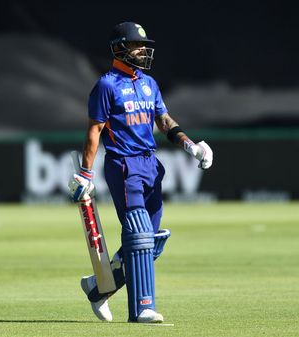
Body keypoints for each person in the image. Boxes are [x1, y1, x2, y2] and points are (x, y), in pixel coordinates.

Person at [68, 22, 213, 323]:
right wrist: (85, 173)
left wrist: (190, 146)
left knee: (152, 239)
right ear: (119, 48)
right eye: (137, 46)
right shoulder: (106, 85)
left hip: (150, 164)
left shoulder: (149, 83)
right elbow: (95, 131)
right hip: (124, 164)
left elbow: (163, 120)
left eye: (144, 46)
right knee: (140, 235)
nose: (143, 51)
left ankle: (98, 288)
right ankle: (143, 307)